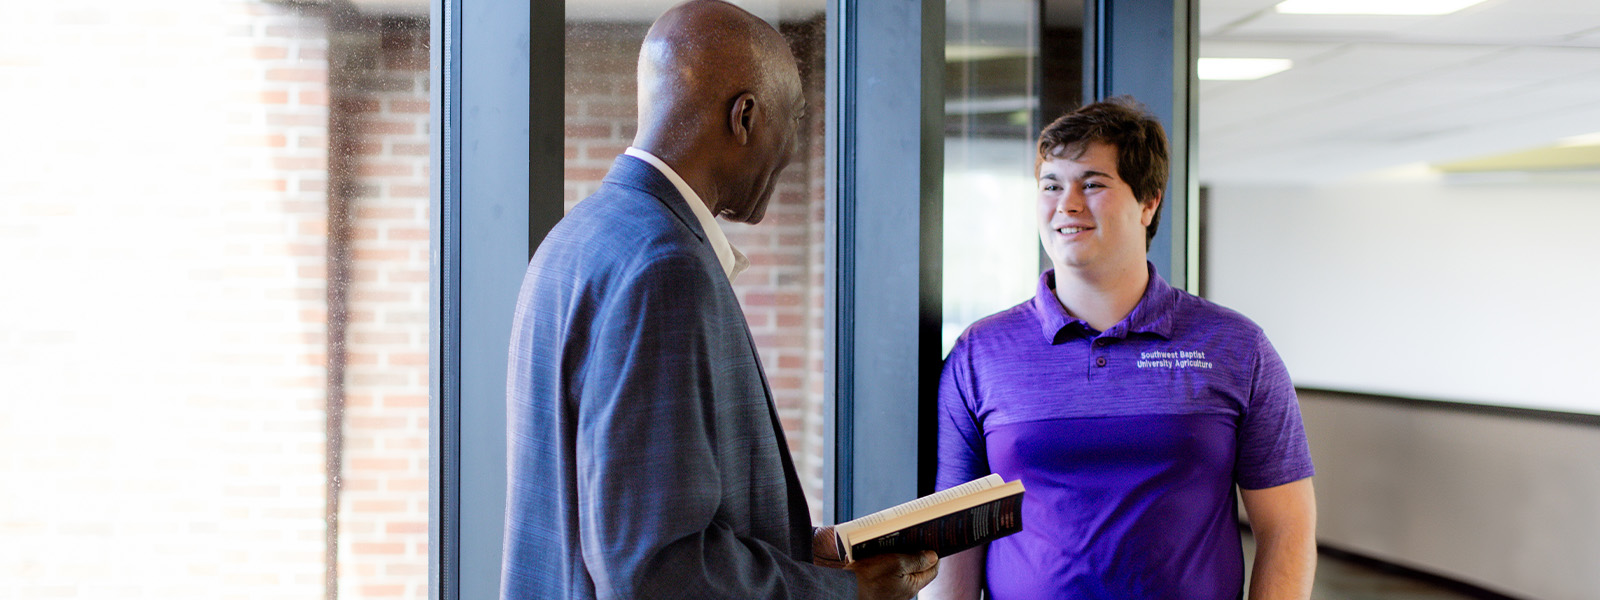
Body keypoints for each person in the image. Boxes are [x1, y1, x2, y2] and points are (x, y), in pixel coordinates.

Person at [500, 2, 938, 599]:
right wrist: (847, 593)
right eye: (795, 118)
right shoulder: (666, 267)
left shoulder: (580, 236)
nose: (790, 149)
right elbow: (654, 568)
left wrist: (791, 555)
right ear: (746, 116)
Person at [925, 97, 1317, 600]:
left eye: (1092, 184)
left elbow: (1288, 526)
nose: (1066, 204)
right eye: (1051, 185)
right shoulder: (981, 352)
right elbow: (957, 537)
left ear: (1149, 201)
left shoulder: (1236, 347)